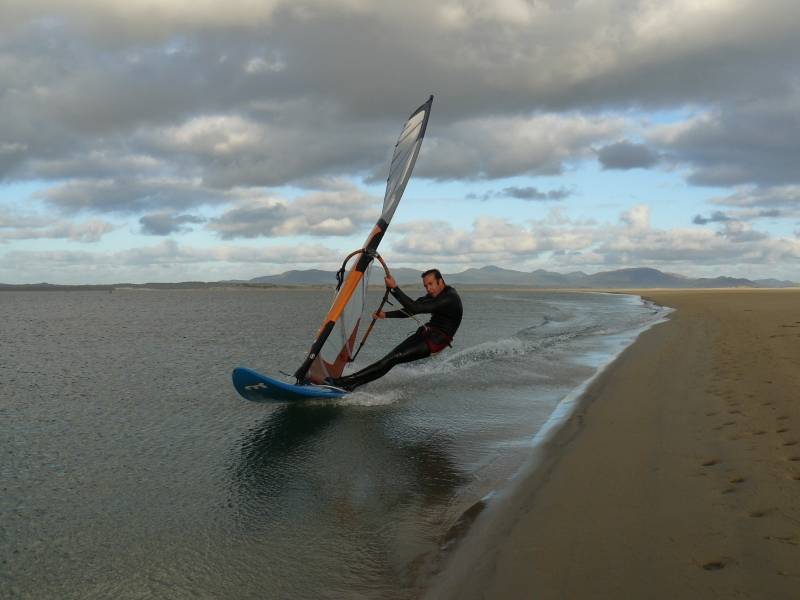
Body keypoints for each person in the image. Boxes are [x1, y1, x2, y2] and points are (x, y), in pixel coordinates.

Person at [330, 269, 463, 391]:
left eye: (431, 284)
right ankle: (352, 384)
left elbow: (415, 308)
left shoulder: (449, 298)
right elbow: (411, 309)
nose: (428, 289)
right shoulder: (434, 294)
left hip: (436, 342)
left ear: (441, 281)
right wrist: (386, 315)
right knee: (391, 357)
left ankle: (344, 382)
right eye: (425, 286)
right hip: (426, 334)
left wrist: (394, 288)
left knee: (393, 359)